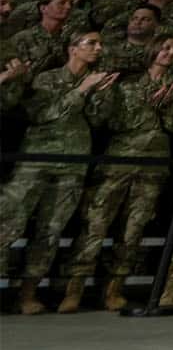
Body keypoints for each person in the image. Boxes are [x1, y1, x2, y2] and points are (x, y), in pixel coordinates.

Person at [0, 30, 119, 314]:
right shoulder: (47, 79)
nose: (98, 48)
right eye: (91, 43)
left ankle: (27, 294)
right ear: (73, 49)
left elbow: (98, 120)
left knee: (51, 231)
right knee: (8, 223)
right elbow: (42, 114)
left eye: (100, 44)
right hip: (37, 159)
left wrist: (100, 95)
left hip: (73, 163)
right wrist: (81, 90)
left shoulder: (96, 81)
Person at [71, 34, 173, 312]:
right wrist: (105, 94)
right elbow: (106, 120)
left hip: (153, 164)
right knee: (96, 223)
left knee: (134, 228)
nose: (170, 52)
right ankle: (74, 287)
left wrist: (165, 108)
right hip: (120, 159)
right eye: (165, 47)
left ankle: (114, 288)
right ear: (152, 50)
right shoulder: (127, 82)